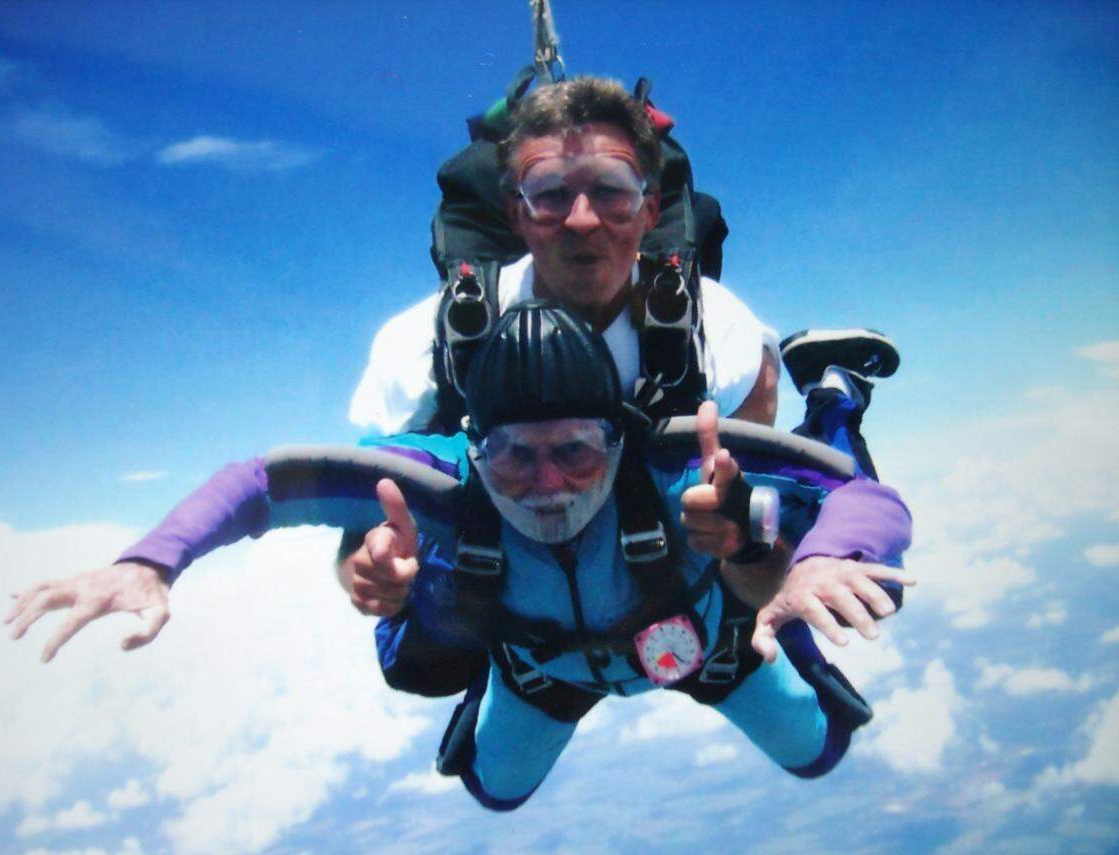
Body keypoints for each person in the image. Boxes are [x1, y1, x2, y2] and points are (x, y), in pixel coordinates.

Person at [7, 301, 911, 812]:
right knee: (493, 789)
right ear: (472, 445)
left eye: (578, 452)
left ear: (619, 437)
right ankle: (457, 630)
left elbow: (854, 493)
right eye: (513, 455)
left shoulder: (678, 461)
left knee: (820, 751)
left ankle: (831, 392)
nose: (547, 483)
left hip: (703, 647)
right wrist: (151, 561)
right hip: (540, 670)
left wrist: (826, 554)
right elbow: (263, 482)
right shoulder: (438, 482)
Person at [342, 76, 908, 665]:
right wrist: (368, 569)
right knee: (417, 666)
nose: (582, 220)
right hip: (527, 561)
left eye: (611, 191)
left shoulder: (717, 335)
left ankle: (832, 391)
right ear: (515, 212)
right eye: (550, 192)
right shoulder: (424, 346)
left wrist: (748, 545)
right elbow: (360, 525)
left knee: (850, 591)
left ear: (649, 208)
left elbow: (761, 548)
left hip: (668, 537)